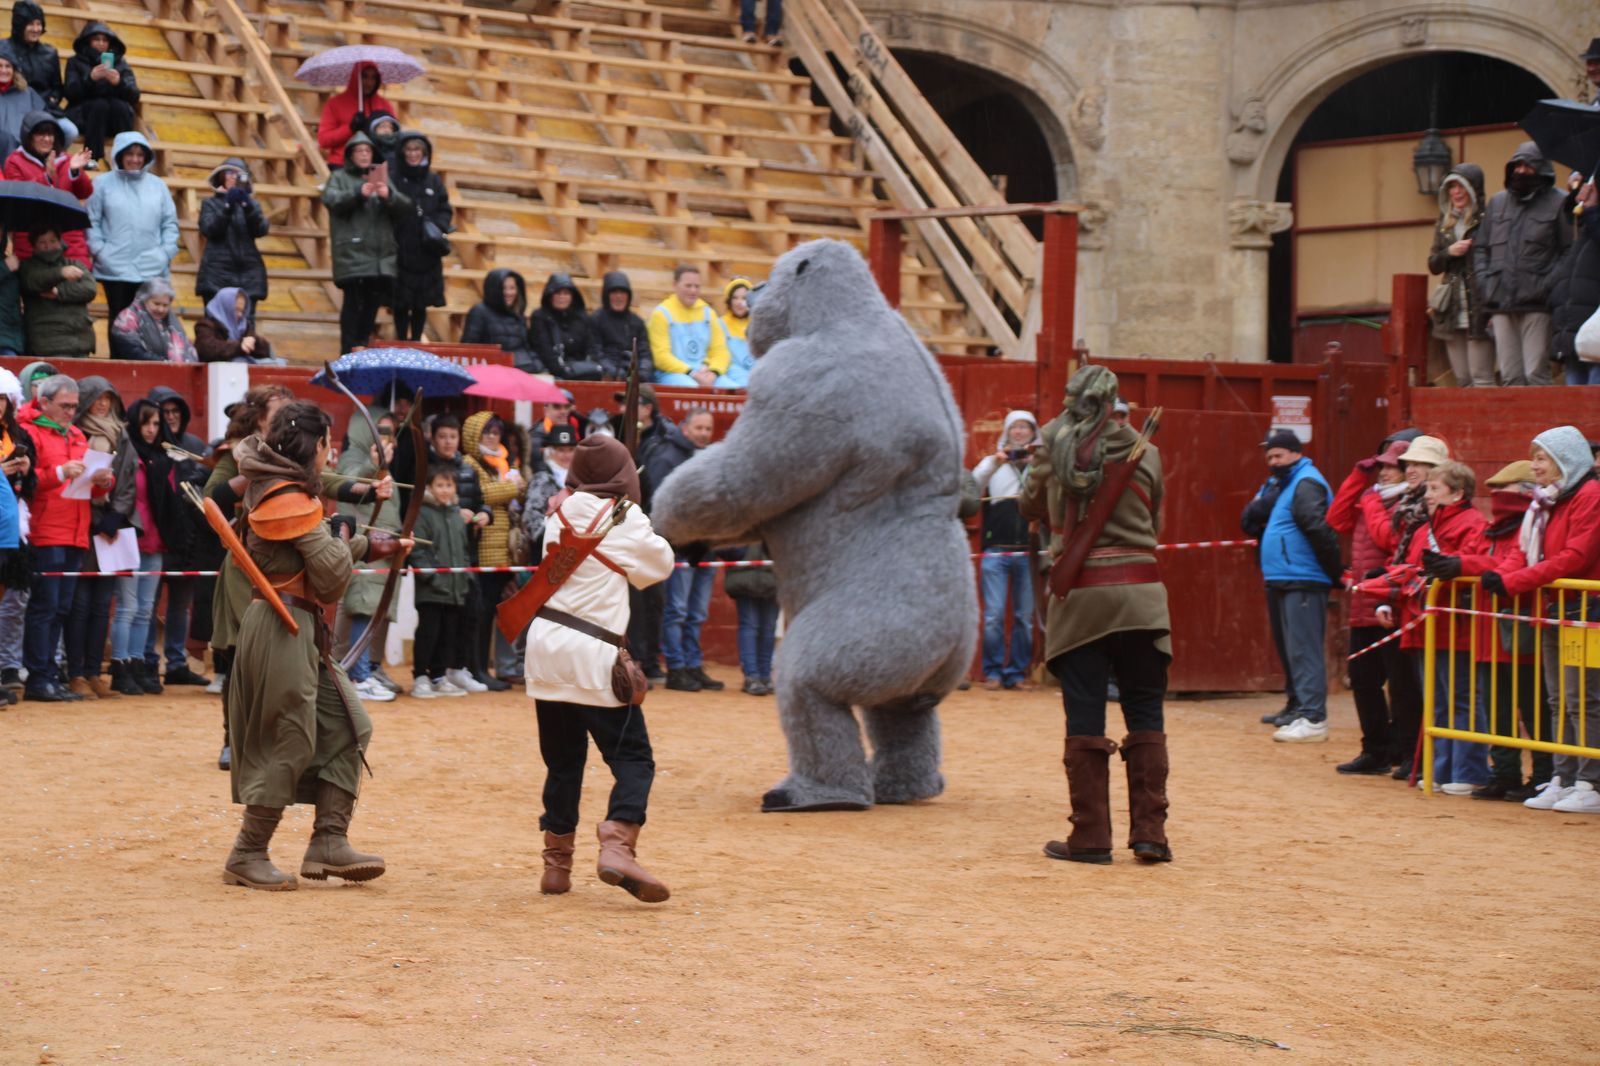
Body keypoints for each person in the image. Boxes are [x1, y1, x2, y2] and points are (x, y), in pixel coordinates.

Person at [222, 400, 409, 890]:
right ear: (317, 445)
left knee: (352, 722)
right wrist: (346, 535)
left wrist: (365, 544)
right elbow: (328, 578)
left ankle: (329, 840)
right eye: (331, 443)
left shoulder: (290, 493)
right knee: (291, 736)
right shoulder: (286, 497)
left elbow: (318, 558)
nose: (334, 452)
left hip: (298, 626)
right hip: (281, 625)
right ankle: (248, 852)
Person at [1018, 364, 1173, 864]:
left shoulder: (1051, 444)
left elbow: (1028, 504)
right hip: (1143, 598)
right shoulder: (1145, 451)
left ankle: (1090, 837)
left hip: (1082, 598)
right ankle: (1150, 834)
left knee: (1085, 715)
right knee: (1145, 712)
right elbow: (1155, 521)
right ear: (1113, 403)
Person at [523, 433, 675, 903]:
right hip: (594, 652)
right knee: (633, 757)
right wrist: (637, 514)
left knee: (563, 762)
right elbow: (660, 565)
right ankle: (617, 842)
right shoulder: (625, 517)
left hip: (546, 648)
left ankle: (556, 867)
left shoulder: (559, 512)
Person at [1468, 426, 1600, 814]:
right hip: (1553, 609)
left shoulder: (1590, 497)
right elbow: (1524, 552)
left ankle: (1590, 781)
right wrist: (1504, 577)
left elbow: (1574, 557)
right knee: (1559, 700)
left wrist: (1513, 581)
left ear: (1564, 460)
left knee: (1584, 701)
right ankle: (1564, 775)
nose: (1535, 466)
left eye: (1541, 458)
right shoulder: (1546, 501)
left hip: (1585, 610)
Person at [1449, 460, 1550, 801]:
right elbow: (1485, 559)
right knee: (1498, 708)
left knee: (1534, 708)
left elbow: (1508, 563)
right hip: (1489, 630)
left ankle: (1543, 774)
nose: (1495, 496)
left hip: (1519, 630)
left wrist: (1462, 565)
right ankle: (1506, 773)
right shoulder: (1492, 527)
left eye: (1502, 490)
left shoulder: (1532, 524)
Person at [206, 383, 294, 765]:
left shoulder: (295, 452)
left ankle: (274, 739)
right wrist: (254, 473)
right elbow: (212, 497)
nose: (285, 417)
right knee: (241, 659)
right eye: (277, 410)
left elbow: (328, 482)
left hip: (283, 565)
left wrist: (367, 489)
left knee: (280, 659)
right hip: (244, 567)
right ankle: (233, 740)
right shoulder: (237, 454)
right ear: (259, 416)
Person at [1239, 429, 1340, 743]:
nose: (1272, 462)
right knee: (1290, 648)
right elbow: (1248, 518)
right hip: (1283, 575)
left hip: (1303, 576)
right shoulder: (1282, 484)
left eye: (1278, 455)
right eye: (1269, 457)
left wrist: (1333, 572)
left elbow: (1317, 527)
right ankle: (1299, 708)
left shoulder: (1306, 482)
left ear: (1296, 453)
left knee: (1303, 649)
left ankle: (1313, 717)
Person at [19, 374, 112, 702]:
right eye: (64, 405)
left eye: (74, 406)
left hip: (75, 532)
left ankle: (48, 675)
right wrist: (59, 473)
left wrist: (102, 481)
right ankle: (39, 677)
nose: (71, 411)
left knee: (60, 608)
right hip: (45, 531)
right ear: (44, 403)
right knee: (45, 607)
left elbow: (87, 488)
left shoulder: (76, 435)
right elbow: (25, 481)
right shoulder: (29, 432)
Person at [1326, 437, 1414, 775]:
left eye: (1393, 466)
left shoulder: (1403, 503)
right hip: (1364, 603)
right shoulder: (1371, 496)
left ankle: (1405, 752)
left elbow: (1385, 539)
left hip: (1391, 604)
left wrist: (1373, 499)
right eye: (1382, 466)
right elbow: (1336, 518)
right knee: (1363, 680)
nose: (1385, 472)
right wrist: (1356, 478)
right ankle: (1375, 749)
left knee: (1401, 684)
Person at [1403, 462, 1492, 794]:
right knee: (1438, 700)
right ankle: (1441, 769)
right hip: (1433, 624)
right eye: (1428, 488)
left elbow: (1478, 561)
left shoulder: (1473, 523)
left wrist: (1456, 566)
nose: (1428, 494)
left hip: (1460, 624)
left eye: (1435, 488)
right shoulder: (1429, 527)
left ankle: (1469, 771)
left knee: (1463, 699)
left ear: (1458, 492)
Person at [1473, 142, 1572, 386]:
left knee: (1536, 372)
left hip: (1538, 303)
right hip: (1501, 302)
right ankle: (1516, 426)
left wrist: (1547, 284)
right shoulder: (1497, 203)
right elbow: (1480, 248)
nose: (1521, 170)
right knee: (1509, 376)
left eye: (1527, 165)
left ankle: (1545, 425)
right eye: (1517, 165)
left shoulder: (1560, 202)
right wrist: (1486, 283)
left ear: (1541, 168)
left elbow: (1569, 250)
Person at [105, 399, 182, 696]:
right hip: (130, 534)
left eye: (155, 424)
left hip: (155, 537)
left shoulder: (162, 457)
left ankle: (137, 664)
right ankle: (120, 666)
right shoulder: (127, 451)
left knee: (145, 609)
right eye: (145, 423)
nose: (151, 430)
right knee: (127, 607)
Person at [65, 375, 127, 698]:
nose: (103, 404)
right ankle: (75, 672)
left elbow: (128, 478)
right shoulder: (76, 433)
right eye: (97, 398)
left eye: (108, 398)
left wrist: (117, 513)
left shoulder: (121, 433)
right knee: (80, 603)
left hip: (111, 523)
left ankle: (93, 672)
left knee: (103, 604)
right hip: (81, 522)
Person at [145, 386, 210, 687]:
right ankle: (146, 661)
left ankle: (175, 662)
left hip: (187, 537)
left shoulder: (195, 444)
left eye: (175, 412)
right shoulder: (148, 446)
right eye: (164, 412)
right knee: (148, 602)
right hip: (158, 535)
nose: (170, 418)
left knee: (180, 604)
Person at [654, 408, 723, 692]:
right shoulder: (669, 457)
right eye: (699, 428)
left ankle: (693, 665)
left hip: (706, 547)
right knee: (678, 611)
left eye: (708, 429)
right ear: (686, 429)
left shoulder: (712, 459)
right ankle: (677, 667)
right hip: (681, 548)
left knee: (697, 613)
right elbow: (661, 502)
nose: (704, 434)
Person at [324, 131, 410, 354]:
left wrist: (388, 195)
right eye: (359, 151)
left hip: (379, 257)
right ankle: (348, 349)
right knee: (353, 304)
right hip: (353, 253)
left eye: (367, 150)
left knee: (372, 305)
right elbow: (331, 199)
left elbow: (405, 207)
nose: (363, 154)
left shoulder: (381, 177)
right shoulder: (339, 177)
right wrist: (357, 194)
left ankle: (361, 345)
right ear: (350, 155)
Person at [972, 410, 1039, 691]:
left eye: (1025, 427)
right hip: (997, 550)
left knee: (1025, 617)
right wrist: (995, 461)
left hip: (1028, 551)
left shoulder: (1040, 463)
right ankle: (994, 672)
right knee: (993, 616)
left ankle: (1016, 673)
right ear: (1007, 432)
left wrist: (1038, 461)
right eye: (1015, 427)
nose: (1020, 432)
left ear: (1033, 433)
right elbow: (973, 484)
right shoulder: (993, 462)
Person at [86, 130, 178, 325]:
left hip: (151, 268)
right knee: (119, 324)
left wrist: (164, 253)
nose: (135, 159)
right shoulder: (102, 183)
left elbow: (169, 223)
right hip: (115, 268)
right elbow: (91, 221)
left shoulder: (158, 186)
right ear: (119, 155)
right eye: (129, 154)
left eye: (139, 154)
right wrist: (101, 252)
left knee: (151, 324)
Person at [460, 412, 520, 691]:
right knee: (481, 613)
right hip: (483, 547)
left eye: (496, 432)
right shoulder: (470, 463)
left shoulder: (501, 464)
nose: (492, 437)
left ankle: (484, 667)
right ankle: (478, 668)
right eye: (486, 433)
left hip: (501, 550)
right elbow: (484, 494)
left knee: (492, 609)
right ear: (474, 436)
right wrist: (513, 487)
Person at [408, 464, 478, 699]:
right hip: (432, 589)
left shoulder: (456, 515)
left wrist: (465, 576)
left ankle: (439, 676)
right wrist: (432, 577)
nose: (445, 490)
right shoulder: (423, 514)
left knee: (448, 635)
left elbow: (464, 550)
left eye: (449, 485)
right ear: (429, 487)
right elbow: (418, 552)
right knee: (429, 633)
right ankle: (420, 677)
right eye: (440, 485)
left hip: (455, 589)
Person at [1427, 164, 1493, 387]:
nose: (1455, 192)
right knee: (1463, 379)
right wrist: (1449, 252)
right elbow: (1433, 264)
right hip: (1452, 310)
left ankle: (1489, 422)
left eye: (1460, 186)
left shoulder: (1486, 220)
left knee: (1481, 377)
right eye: (1451, 187)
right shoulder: (1444, 224)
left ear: (1472, 189)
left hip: (1479, 306)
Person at [4, 111, 92, 264]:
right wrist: (46, 178)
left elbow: (85, 192)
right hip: (31, 246)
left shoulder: (67, 160)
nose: (47, 139)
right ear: (28, 136)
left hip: (70, 245)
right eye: (41, 134)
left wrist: (75, 172)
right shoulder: (15, 162)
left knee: (78, 286)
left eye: (50, 135)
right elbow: (20, 198)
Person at [390, 131, 451, 343]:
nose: (413, 154)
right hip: (401, 246)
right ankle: (399, 338)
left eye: (417, 150)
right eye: (409, 149)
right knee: (400, 301)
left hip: (427, 249)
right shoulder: (395, 178)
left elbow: (445, 208)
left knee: (420, 302)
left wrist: (438, 226)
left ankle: (416, 339)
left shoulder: (433, 180)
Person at [0, 367, 35, 707]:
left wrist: (26, 472)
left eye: (2, 399)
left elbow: (31, 490)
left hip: (10, 529)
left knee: (7, 604)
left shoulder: (16, 434)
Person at [195, 158, 268, 306]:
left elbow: (261, 229)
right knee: (215, 324)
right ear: (221, 176)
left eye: (239, 175)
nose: (233, 177)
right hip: (217, 274)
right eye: (229, 172)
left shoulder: (251, 205)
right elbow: (209, 229)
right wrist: (227, 207)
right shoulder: (210, 204)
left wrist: (247, 207)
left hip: (248, 275)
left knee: (246, 325)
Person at [62, 22, 137, 163]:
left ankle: (127, 156)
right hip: (84, 117)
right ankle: (92, 157)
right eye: (96, 39)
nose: (101, 43)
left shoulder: (120, 63)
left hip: (113, 117)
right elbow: (70, 93)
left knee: (119, 106)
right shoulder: (75, 62)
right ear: (88, 41)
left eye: (105, 40)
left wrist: (118, 83)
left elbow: (134, 95)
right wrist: (90, 79)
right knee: (99, 105)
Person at [1550, 173, 1600, 385]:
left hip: (1595, 332)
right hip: (1575, 330)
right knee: (1575, 411)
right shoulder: (1585, 227)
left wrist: (1592, 209)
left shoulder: (1592, 218)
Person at [647, 264, 730, 388]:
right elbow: (661, 356)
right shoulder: (662, 314)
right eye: (688, 286)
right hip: (673, 374)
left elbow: (720, 351)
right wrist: (691, 372)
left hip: (705, 372)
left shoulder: (708, 313)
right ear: (675, 285)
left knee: (732, 389)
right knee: (692, 389)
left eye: (697, 286)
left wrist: (714, 372)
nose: (693, 291)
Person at [19, 226, 94, 357]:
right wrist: (60, 273)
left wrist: (59, 292)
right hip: (48, 343)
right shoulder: (27, 267)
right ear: (34, 246)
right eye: (42, 242)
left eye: (53, 241)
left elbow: (90, 289)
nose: (48, 246)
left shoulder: (75, 264)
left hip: (80, 340)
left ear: (60, 241)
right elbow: (34, 281)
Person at [316, 62, 393, 167]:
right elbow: (324, 140)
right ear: (355, 78)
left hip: (375, 164)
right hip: (342, 164)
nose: (369, 82)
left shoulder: (384, 105)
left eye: (373, 78)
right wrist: (350, 129)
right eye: (364, 77)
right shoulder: (335, 104)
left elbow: (394, 137)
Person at [724, 542, 777, 695]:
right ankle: (752, 676)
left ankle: (764, 676)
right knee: (751, 625)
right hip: (745, 576)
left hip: (772, 575)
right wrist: (741, 551)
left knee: (768, 628)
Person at [459, 268, 535, 371]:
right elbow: (468, 349)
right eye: (503, 288)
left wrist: (537, 365)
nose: (508, 293)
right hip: (490, 371)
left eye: (512, 288)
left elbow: (527, 347)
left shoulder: (518, 314)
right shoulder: (479, 312)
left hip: (521, 369)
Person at [529, 272, 598, 379]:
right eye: (557, 293)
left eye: (566, 293)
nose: (562, 297)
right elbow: (544, 350)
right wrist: (563, 371)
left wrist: (590, 366)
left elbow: (591, 347)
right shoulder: (540, 317)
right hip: (551, 371)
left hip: (580, 369)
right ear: (550, 295)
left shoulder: (582, 317)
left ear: (572, 296)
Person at [109, 278, 195, 362]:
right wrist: (164, 363)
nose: (161, 309)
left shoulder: (171, 320)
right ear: (145, 299)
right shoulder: (128, 318)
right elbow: (131, 353)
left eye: (165, 305)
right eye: (156, 304)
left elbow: (187, 351)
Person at [587, 270, 651, 382]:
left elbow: (645, 353)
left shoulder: (637, 322)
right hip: (606, 375)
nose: (619, 297)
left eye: (622, 293)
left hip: (633, 374)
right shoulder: (596, 320)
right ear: (606, 295)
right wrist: (613, 371)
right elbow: (595, 353)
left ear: (628, 296)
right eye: (614, 292)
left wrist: (642, 372)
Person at [0, 3, 63, 114]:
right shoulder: (3, 48)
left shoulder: (50, 53)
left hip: (43, 110)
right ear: (19, 26)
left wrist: (51, 101)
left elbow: (57, 88)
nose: (35, 29)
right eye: (30, 24)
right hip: (9, 109)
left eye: (39, 24)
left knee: (70, 130)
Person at [195, 287, 276, 363]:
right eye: (236, 310)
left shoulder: (244, 326)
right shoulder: (206, 325)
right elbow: (208, 350)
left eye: (242, 311)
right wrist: (239, 346)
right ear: (225, 307)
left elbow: (265, 351)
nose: (240, 315)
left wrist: (254, 342)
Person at [714, 277, 757, 388]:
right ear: (729, 301)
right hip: (732, 376)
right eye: (735, 298)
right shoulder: (720, 324)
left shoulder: (758, 324)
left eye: (743, 298)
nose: (739, 302)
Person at [0, 53, 43, 147]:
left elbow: (40, 120)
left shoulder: (28, 93)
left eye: (8, 66)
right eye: (0, 66)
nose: (3, 70)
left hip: (22, 148)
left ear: (14, 71)